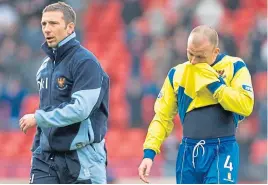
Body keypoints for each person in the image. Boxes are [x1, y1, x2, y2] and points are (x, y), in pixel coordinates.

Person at [138, 25, 254, 184]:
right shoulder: (177, 74)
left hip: (222, 150)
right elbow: (162, 117)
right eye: (190, 53)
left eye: (200, 56)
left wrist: (215, 86)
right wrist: (149, 153)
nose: (193, 61)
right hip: (188, 151)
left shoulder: (235, 66)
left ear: (215, 52)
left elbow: (245, 105)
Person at [19, 2, 109, 184]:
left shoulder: (86, 63)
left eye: (53, 23)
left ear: (70, 28)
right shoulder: (44, 67)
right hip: (46, 158)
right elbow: (44, 108)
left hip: (81, 156)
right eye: (44, 24)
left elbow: (81, 109)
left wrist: (39, 117)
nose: (47, 29)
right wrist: (36, 148)